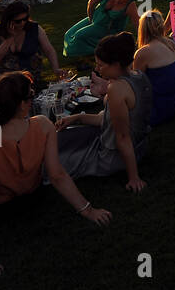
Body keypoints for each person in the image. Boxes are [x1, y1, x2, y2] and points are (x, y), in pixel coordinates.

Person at [0, 70, 110, 280]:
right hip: (27, 200)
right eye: (31, 96)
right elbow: (57, 174)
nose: (32, 99)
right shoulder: (42, 125)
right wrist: (88, 211)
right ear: (22, 104)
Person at [56, 32, 152, 189]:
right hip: (138, 147)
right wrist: (75, 118)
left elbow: (122, 136)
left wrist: (133, 177)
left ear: (115, 65)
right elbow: (107, 120)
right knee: (63, 138)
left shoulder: (117, 89)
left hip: (112, 157)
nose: (97, 68)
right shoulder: (139, 76)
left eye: (100, 65)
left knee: (54, 164)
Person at [63, 0, 138, 59]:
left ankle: (95, 52)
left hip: (108, 28)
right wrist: (91, 18)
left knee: (79, 35)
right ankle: (93, 51)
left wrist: (140, 41)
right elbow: (91, 3)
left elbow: (137, 24)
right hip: (95, 19)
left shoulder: (130, 4)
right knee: (69, 34)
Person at [132, 11, 175, 126]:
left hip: (155, 110)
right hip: (174, 103)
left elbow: (135, 84)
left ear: (142, 29)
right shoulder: (171, 44)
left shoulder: (144, 52)